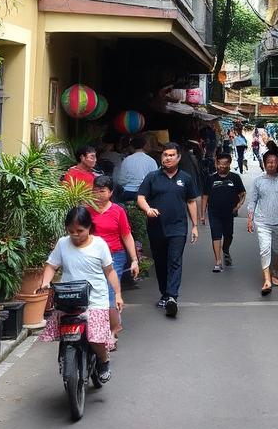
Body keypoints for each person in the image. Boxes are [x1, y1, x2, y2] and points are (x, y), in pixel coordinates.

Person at [39, 205, 121, 384]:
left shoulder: (99, 245)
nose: (75, 235)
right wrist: (45, 282)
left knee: (95, 336)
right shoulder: (62, 243)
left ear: (89, 227)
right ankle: (67, 355)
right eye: (71, 231)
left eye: (80, 231)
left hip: (95, 299)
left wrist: (118, 294)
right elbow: (52, 265)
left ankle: (103, 360)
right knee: (63, 329)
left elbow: (110, 272)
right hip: (69, 297)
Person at [137, 141, 199, 318]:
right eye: (165, 155)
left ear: (178, 157)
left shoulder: (185, 178)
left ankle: (172, 297)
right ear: (161, 157)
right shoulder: (152, 177)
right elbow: (141, 197)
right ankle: (164, 293)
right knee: (161, 262)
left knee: (175, 261)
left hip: (178, 227)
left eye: (172, 155)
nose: (168, 158)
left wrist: (195, 226)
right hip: (157, 227)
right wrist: (148, 209)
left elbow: (191, 201)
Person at [89, 175, 139, 343]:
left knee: (110, 291)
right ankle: (98, 325)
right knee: (93, 291)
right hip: (92, 257)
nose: (98, 194)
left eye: (102, 191)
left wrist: (134, 260)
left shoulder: (118, 211)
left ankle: (112, 329)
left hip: (114, 257)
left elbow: (126, 235)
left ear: (110, 192)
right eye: (95, 191)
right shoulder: (87, 210)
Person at [247, 150, 278, 295]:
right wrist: (250, 218)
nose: (271, 164)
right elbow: (252, 201)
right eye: (269, 162)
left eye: (274, 162)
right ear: (264, 164)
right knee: (265, 249)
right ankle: (267, 280)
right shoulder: (258, 181)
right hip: (262, 222)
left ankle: (275, 273)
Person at [201, 151, 246, 271]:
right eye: (220, 164)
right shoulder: (210, 178)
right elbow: (205, 196)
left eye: (225, 164)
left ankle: (226, 250)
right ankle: (218, 261)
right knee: (216, 236)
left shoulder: (235, 178)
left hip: (229, 213)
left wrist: (239, 205)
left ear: (229, 164)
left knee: (228, 235)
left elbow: (242, 193)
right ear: (216, 163)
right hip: (213, 212)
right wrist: (202, 215)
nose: (222, 166)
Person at [114, 134, 157, 202]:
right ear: (144, 145)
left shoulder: (127, 160)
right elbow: (155, 180)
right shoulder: (151, 161)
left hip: (128, 193)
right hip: (146, 193)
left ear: (132, 147)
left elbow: (121, 180)